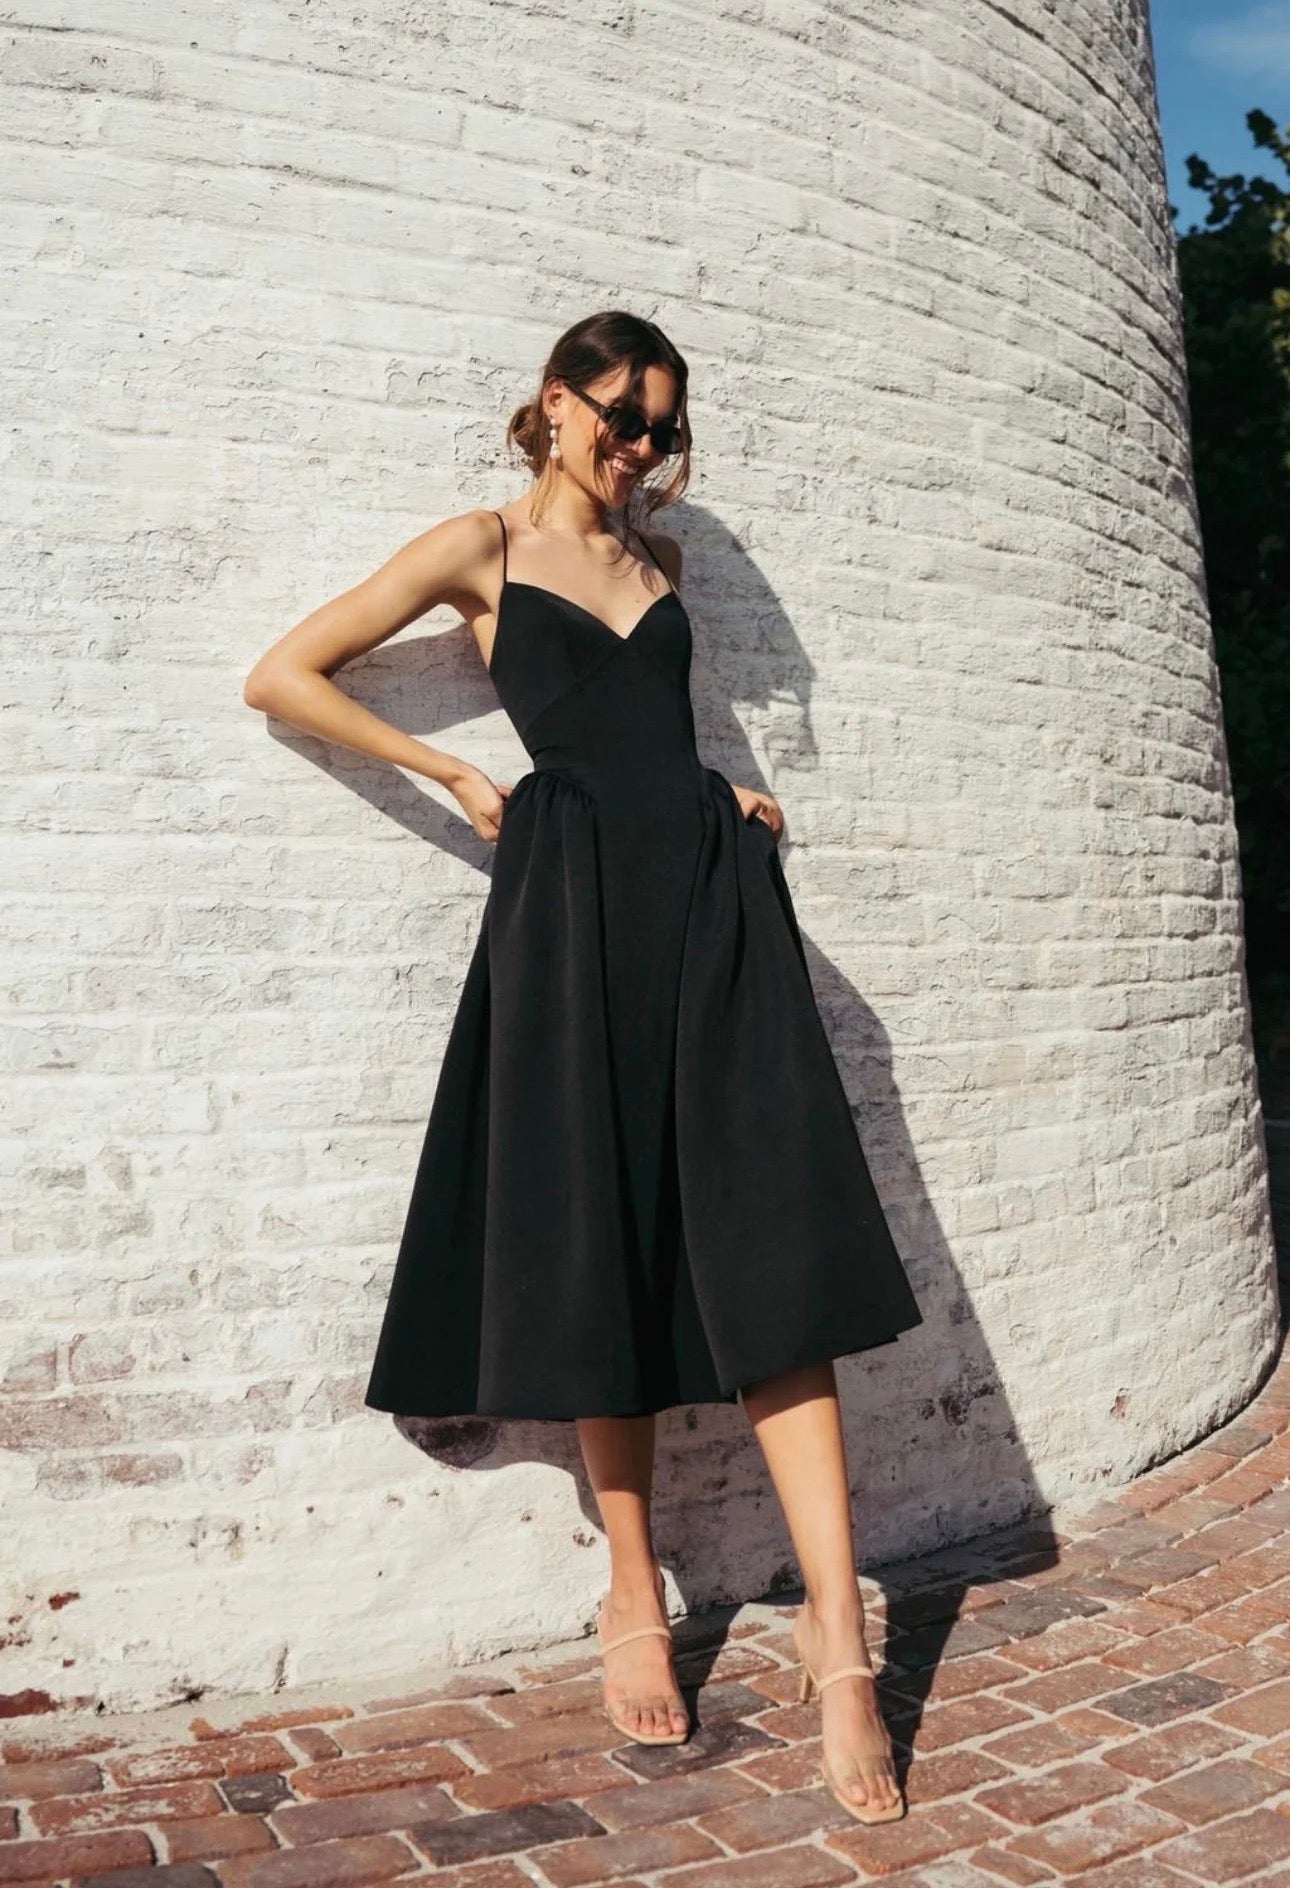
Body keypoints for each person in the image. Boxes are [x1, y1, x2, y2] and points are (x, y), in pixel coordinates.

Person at [243, 309, 923, 1824]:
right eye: (621, 418)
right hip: (569, 914)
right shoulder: (479, 549)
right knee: (598, 1239)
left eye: (662, 430)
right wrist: (450, 768)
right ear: (554, 403)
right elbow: (283, 674)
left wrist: (731, 795)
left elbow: (653, 732)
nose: (640, 449)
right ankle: (631, 1586)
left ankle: (840, 1644)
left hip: (706, 903)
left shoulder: (657, 563)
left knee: (773, 1248)